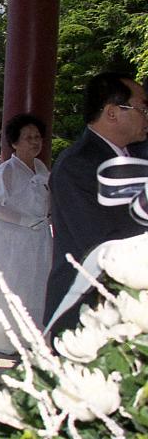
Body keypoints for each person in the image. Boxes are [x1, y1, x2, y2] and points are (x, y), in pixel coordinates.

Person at [45, 72, 148, 326]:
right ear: (112, 112)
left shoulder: (133, 156)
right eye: (142, 108)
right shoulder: (78, 164)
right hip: (89, 306)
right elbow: (100, 242)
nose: (147, 116)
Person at [0, 113, 51, 354]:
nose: (34, 142)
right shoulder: (5, 170)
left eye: (38, 137)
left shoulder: (41, 168)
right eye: (28, 137)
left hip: (37, 236)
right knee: (13, 285)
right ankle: (8, 339)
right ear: (15, 142)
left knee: (37, 284)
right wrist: (26, 220)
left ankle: (34, 334)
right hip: (10, 240)